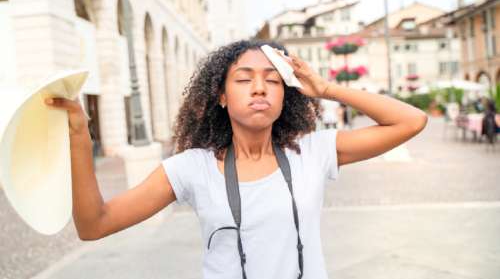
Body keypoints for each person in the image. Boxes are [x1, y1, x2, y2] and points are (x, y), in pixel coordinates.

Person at [44, 40, 427, 279]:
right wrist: (80, 137)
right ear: (222, 96)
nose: (259, 87)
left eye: (272, 80)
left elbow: (412, 121)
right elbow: (95, 225)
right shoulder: (190, 168)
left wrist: (325, 88)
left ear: (286, 95)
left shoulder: (314, 152)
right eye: (244, 79)